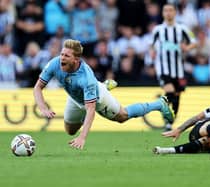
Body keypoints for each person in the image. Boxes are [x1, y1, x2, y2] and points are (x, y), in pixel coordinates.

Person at [33, 39, 175, 150]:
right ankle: (104, 85)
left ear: (76, 60)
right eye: (62, 54)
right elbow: (37, 88)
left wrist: (82, 137)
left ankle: (159, 104)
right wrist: (43, 108)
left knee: (122, 116)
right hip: (75, 98)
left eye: (66, 56)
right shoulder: (54, 63)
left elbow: (91, 110)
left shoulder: (86, 79)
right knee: (70, 131)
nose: (62, 58)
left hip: (97, 97)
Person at [150, 3, 197, 131]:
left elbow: (194, 42)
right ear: (163, 13)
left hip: (179, 70)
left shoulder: (182, 29)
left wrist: (186, 48)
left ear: (175, 12)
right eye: (166, 10)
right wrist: (152, 53)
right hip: (163, 68)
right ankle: (162, 108)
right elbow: (151, 45)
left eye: (171, 10)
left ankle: (170, 122)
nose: (168, 13)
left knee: (176, 97)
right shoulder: (158, 30)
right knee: (170, 91)